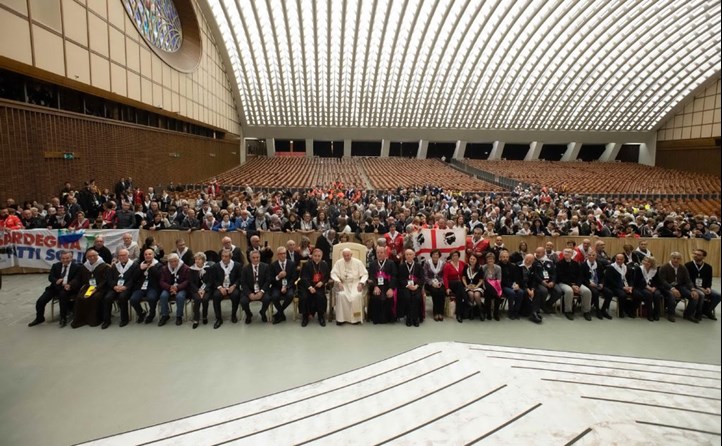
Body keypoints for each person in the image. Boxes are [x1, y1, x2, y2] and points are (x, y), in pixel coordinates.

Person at [28, 250, 80, 327]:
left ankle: (63, 318)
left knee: (63, 297)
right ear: (60, 258)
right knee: (40, 301)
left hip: (67, 288)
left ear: (71, 258)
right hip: (55, 287)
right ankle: (39, 318)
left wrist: (70, 285)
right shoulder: (55, 265)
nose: (65, 260)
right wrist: (56, 280)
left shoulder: (77, 267)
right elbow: (50, 277)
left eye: (67, 258)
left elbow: (77, 279)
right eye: (63, 258)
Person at [71, 249, 110, 328]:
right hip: (88, 287)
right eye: (89, 256)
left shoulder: (104, 266)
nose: (92, 258)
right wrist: (71, 284)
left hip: (101, 288)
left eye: (93, 256)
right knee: (80, 297)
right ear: (86, 257)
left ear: (97, 256)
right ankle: (82, 320)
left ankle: (94, 320)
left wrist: (96, 288)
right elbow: (78, 278)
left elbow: (106, 280)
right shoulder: (84, 267)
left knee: (95, 297)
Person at [658, 252, 700, 323]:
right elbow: (663, 281)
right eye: (674, 258)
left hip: (679, 286)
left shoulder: (683, 267)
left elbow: (688, 280)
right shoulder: (664, 267)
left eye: (678, 258)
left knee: (694, 296)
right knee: (672, 295)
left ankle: (688, 314)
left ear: (681, 259)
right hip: (666, 287)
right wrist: (672, 289)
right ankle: (670, 314)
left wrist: (693, 289)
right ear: (671, 258)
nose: (676, 260)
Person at [331, 247, 369, 325]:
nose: (346, 257)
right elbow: (333, 273)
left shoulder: (358, 262)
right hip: (343, 283)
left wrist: (361, 283)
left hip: (356, 283)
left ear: (351, 254)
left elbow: (365, 274)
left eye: (348, 255)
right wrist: (338, 282)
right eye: (345, 256)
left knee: (357, 296)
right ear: (342, 255)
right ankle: (341, 319)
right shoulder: (339, 263)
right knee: (341, 295)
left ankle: (356, 318)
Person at [102, 248, 138, 329]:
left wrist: (125, 287)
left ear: (128, 255)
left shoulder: (134, 265)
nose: (121, 257)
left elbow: (134, 279)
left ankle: (124, 319)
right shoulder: (114, 266)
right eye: (120, 255)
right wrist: (114, 286)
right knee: (107, 298)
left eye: (124, 255)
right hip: (115, 287)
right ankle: (106, 320)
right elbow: (109, 279)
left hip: (127, 288)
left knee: (122, 297)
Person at [556, 248, 593, 321]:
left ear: (572, 254)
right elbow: (561, 277)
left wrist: (578, 285)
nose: (567, 253)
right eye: (565, 251)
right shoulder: (559, 264)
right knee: (569, 291)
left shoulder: (576, 264)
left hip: (576, 283)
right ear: (563, 253)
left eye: (569, 252)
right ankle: (568, 311)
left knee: (587, 291)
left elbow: (580, 276)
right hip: (564, 283)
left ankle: (586, 311)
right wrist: (572, 285)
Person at [210, 249, 242, 328]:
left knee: (236, 295)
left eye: (226, 256)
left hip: (232, 286)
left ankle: (233, 315)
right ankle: (219, 319)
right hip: (221, 287)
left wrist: (234, 286)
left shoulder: (237, 265)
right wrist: (220, 288)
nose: (224, 258)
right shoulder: (216, 266)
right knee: (216, 296)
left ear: (230, 257)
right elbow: (214, 279)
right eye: (222, 256)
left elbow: (240, 278)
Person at [686, 248, 721, 321]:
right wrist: (699, 288)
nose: (695, 256)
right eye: (694, 254)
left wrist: (708, 287)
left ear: (703, 257)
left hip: (704, 287)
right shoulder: (688, 265)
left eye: (698, 255)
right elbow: (687, 280)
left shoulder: (708, 267)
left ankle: (707, 311)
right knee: (701, 294)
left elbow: (709, 280)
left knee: (717, 295)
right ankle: (698, 313)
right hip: (692, 287)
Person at [299, 248, 330, 327]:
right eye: (315, 256)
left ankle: (320, 316)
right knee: (305, 297)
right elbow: (303, 278)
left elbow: (327, 276)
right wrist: (309, 287)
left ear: (321, 256)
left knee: (321, 297)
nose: (317, 257)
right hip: (307, 286)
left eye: (319, 256)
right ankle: (305, 317)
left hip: (318, 286)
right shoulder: (307, 264)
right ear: (312, 256)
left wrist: (322, 282)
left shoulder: (324, 264)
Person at [129, 248, 161, 324]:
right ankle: (141, 313)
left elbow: (160, 277)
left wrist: (152, 268)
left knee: (151, 298)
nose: (147, 256)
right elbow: (134, 278)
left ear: (153, 255)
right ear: (143, 256)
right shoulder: (139, 265)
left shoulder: (158, 265)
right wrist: (140, 269)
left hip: (153, 287)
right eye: (146, 254)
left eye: (150, 254)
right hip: (141, 287)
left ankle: (151, 314)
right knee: (133, 299)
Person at [367, 246, 397, 324]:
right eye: (378, 253)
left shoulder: (391, 263)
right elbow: (371, 277)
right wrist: (375, 287)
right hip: (377, 285)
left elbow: (394, 277)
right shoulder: (372, 264)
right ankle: (376, 318)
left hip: (388, 285)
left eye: (381, 252)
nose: (379, 254)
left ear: (385, 253)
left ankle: (388, 318)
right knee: (376, 296)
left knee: (389, 296)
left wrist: (391, 288)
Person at [240, 250, 272, 324]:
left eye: (257, 257)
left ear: (260, 257)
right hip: (250, 290)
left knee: (267, 299)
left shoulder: (266, 266)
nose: (256, 259)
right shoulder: (245, 268)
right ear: (250, 258)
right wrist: (249, 294)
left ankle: (263, 312)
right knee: (243, 301)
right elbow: (243, 283)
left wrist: (261, 292)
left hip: (262, 290)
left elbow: (268, 281)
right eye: (253, 257)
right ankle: (248, 314)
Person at [158, 253, 190, 326]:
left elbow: (187, 281)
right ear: (168, 262)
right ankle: (165, 315)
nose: (173, 263)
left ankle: (179, 316)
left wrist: (177, 287)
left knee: (180, 297)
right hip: (168, 287)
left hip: (181, 288)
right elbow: (161, 281)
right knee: (163, 296)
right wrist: (170, 287)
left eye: (175, 261)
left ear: (178, 260)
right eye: (171, 261)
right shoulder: (164, 268)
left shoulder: (185, 268)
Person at [603, 253, 638, 319]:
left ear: (624, 260)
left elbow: (630, 279)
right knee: (622, 295)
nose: (619, 261)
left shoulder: (627, 268)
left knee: (637, 294)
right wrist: (622, 287)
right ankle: (621, 311)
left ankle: (631, 310)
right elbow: (611, 281)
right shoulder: (611, 267)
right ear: (615, 259)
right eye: (617, 259)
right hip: (614, 286)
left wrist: (631, 286)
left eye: (621, 259)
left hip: (626, 286)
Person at [397, 249, 424, 327]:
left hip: (416, 286)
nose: (409, 256)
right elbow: (400, 279)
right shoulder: (401, 266)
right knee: (407, 297)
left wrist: (416, 286)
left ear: (414, 255)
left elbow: (422, 278)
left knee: (417, 297)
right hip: (405, 287)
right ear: (405, 256)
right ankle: (409, 318)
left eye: (410, 254)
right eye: (407, 254)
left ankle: (416, 318)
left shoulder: (418, 266)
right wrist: (408, 286)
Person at [633, 256, 665, 322]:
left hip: (653, 287)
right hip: (642, 287)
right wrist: (649, 288)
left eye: (648, 262)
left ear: (652, 263)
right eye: (645, 261)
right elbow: (637, 281)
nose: (646, 263)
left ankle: (656, 314)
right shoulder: (639, 269)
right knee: (649, 294)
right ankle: (649, 314)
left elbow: (658, 281)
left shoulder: (656, 270)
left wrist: (654, 287)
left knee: (657, 294)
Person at [270, 246, 297, 324]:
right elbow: (271, 280)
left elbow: (294, 278)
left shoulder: (291, 264)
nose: (283, 255)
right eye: (281, 254)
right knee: (274, 296)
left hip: (289, 286)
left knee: (290, 295)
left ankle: (279, 313)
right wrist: (278, 277)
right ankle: (281, 314)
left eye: (284, 253)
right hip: (277, 286)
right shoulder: (273, 265)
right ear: (277, 255)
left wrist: (286, 286)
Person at [581, 251, 611, 320]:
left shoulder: (599, 265)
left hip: (597, 283)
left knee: (609, 293)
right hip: (588, 283)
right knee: (595, 293)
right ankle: (597, 310)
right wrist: (589, 283)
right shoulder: (583, 265)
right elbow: (582, 277)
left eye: (593, 255)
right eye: (589, 255)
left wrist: (601, 283)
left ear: (596, 256)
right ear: (587, 256)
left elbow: (603, 276)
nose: (591, 256)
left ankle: (603, 310)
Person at [534, 246, 562, 314]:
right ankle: (543, 306)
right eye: (536, 252)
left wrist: (552, 282)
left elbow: (554, 273)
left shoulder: (549, 262)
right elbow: (534, 274)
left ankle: (546, 304)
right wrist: (542, 281)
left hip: (550, 282)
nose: (537, 254)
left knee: (559, 291)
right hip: (539, 282)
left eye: (539, 252)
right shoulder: (534, 262)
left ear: (543, 253)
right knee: (544, 291)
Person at [189, 252, 213, 329]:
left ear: (203, 260)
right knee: (197, 299)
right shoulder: (192, 269)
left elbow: (210, 281)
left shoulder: (208, 268)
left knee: (205, 299)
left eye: (199, 259)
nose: (197, 261)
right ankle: (196, 319)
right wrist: (198, 290)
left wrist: (204, 290)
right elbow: (191, 282)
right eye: (196, 259)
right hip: (195, 289)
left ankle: (204, 316)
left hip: (206, 289)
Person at [499, 250, 524, 320]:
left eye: (507, 257)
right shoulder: (498, 266)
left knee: (521, 292)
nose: (505, 258)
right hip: (503, 286)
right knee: (512, 293)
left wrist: (517, 284)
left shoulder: (512, 266)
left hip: (513, 285)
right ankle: (511, 312)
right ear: (500, 257)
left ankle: (516, 311)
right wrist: (511, 286)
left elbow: (516, 277)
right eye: (503, 257)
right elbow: (501, 280)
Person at [518, 254, 543, 324]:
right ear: (524, 258)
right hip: (521, 285)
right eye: (527, 259)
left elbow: (534, 279)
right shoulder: (518, 266)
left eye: (530, 260)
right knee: (525, 293)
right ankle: (532, 312)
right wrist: (527, 289)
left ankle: (534, 312)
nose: (528, 261)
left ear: (533, 261)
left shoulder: (534, 266)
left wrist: (532, 289)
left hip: (529, 286)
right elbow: (519, 280)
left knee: (538, 292)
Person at [443, 250, 467, 323]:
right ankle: (466, 300)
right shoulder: (447, 265)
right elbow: (445, 277)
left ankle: (459, 315)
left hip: (460, 285)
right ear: (451, 257)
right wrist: (447, 288)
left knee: (459, 294)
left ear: (459, 256)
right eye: (453, 255)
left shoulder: (462, 263)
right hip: (451, 284)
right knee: (459, 284)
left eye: (456, 255)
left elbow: (467, 273)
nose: (455, 257)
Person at [424, 249, 446, 321]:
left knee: (442, 292)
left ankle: (441, 312)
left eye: (437, 254)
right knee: (435, 292)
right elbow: (425, 276)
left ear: (439, 256)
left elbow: (444, 275)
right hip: (429, 283)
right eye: (434, 254)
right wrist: (432, 283)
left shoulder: (442, 263)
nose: (435, 256)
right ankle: (436, 313)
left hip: (440, 283)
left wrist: (441, 282)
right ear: (431, 255)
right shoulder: (427, 263)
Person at [461, 253, 484, 320]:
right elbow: (463, 278)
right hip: (468, 286)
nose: (472, 260)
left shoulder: (480, 268)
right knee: (471, 294)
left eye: (474, 259)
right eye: (471, 259)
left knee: (476, 295)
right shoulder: (466, 266)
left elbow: (481, 280)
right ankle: (471, 311)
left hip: (477, 286)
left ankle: (480, 310)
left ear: (477, 260)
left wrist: (476, 287)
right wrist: (466, 286)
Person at [481, 252, 503, 321]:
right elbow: (482, 279)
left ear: (494, 260)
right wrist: (484, 285)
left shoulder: (498, 268)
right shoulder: (483, 267)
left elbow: (499, 279)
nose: (490, 260)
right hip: (486, 285)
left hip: (496, 285)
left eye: (492, 259)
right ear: (486, 260)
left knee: (495, 295)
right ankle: (489, 314)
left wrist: (495, 287)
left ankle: (496, 314)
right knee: (489, 292)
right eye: (489, 259)